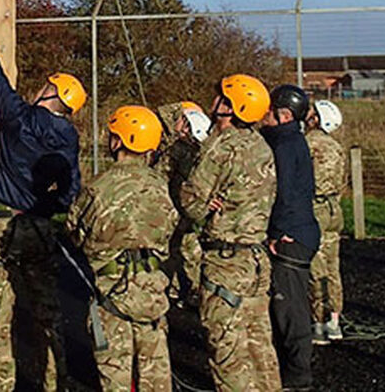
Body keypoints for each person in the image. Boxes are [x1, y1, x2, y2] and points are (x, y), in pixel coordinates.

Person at [0, 0, 84, 392]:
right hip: (42, 232)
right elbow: (71, 190)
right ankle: (56, 382)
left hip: (3, 227)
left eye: (45, 86)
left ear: (50, 95)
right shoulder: (69, 139)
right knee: (48, 315)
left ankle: (3, 386)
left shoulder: (18, 120)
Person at [180, 74, 281, 392]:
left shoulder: (220, 146)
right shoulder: (260, 145)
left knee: (228, 353)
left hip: (225, 262)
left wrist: (199, 201)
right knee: (259, 346)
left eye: (220, 98)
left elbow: (191, 204)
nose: (212, 103)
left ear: (230, 107)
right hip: (255, 261)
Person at [68, 106, 178, 391]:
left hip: (112, 292)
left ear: (118, 141)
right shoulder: (160, 186)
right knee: (156, 378)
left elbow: (77, 232)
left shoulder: (98, 188)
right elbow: (169, 229)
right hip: (151, 293)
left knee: (115, 377)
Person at [261, 84, 320, 391]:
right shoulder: (291, 140)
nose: (263, 114)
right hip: (298, 230)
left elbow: (283, 193)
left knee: (289, 307)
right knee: (284, 305)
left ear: (283, 115)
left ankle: (298, 376)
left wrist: (276, 232)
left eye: (269, 110)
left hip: (291, 235)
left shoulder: (283, 146)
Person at [156, 102, 212, 302]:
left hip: (179, 207)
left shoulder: (183, 149)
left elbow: (163, 177)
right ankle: (186, 290)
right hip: (179, 207)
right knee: (185, 251)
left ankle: (184, 290)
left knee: (183, 251)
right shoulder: (202, 150)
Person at [304, 99, 347, 344]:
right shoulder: (336, 147)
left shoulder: (308, 144)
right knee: (333, 266)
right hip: (334, 208)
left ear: (316, 119)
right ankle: (335, 321)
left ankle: (318, 323)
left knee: (315, 265)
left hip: (315, 207)